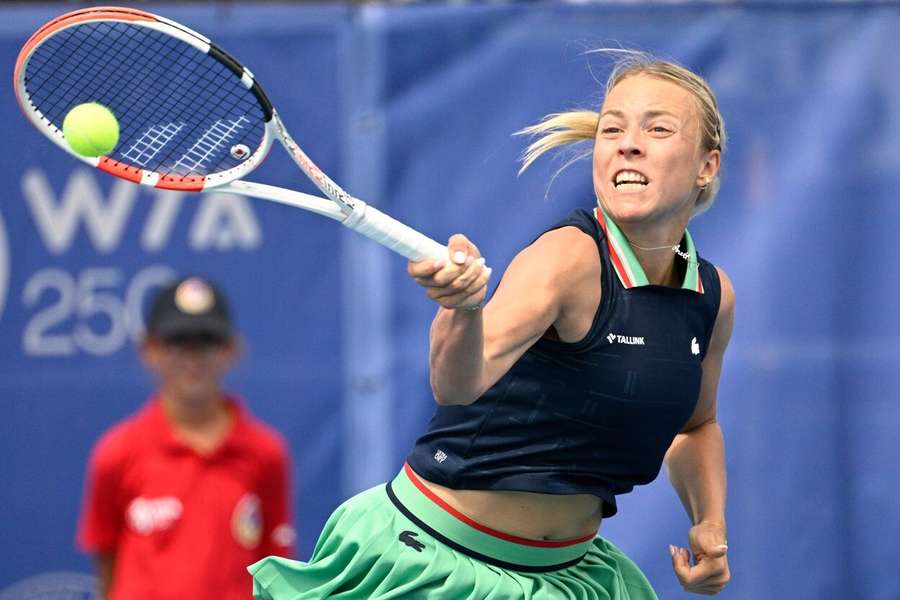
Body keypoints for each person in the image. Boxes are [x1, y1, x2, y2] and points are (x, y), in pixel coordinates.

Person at [249, 50, 733, 599]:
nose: (627, 142)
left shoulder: (712, 297)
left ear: (706, 165)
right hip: (434, 564)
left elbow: (696, 426)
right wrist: (462, 308)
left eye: (659, 128)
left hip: (570, 577)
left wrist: (709, 521)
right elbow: (458, 384)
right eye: (612, 128)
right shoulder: (567, 260)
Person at [77, 276, 295, 600]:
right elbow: (106, 561)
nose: (193, 356)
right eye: (178, 341)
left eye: (206, 341)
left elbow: (276, 568)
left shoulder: (266, 451)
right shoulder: (116, 452)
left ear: (231, 350)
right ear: (149, 350)